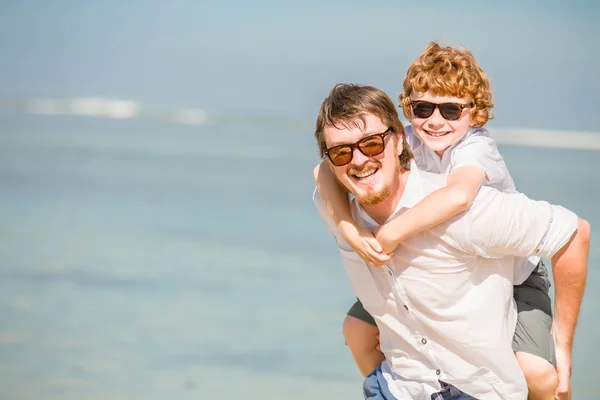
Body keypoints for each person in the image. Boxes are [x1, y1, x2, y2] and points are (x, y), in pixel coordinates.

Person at [313, 42, 574, 399]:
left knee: (539, 374)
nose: (436, 121)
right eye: (423, 108)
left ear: (474, 113)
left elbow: (459, 196)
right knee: (357, 329)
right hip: (439, 291)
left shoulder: (474, 148)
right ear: (409, 109)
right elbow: (323, 171)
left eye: (451, 110)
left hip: (519, 272)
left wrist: (390, 234)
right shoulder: (406, 139)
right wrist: (351, 230)